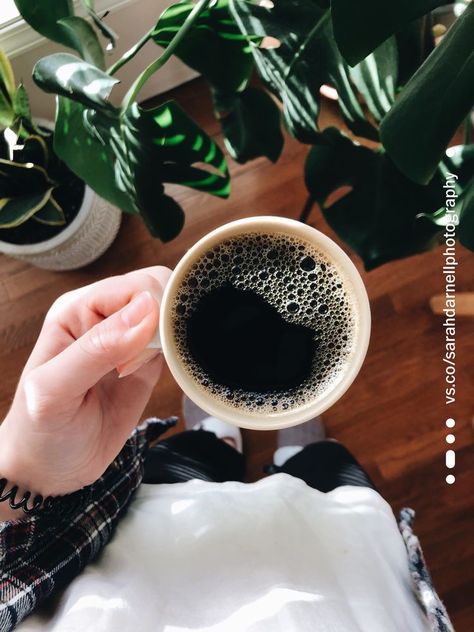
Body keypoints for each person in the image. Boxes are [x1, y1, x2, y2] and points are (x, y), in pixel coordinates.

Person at [0, 267, 452, 632]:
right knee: (330, 471)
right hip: (355, 568)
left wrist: (25, 470)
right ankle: (295, 460)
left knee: (195, 456)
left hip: (153, 524)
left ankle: (219, 440)